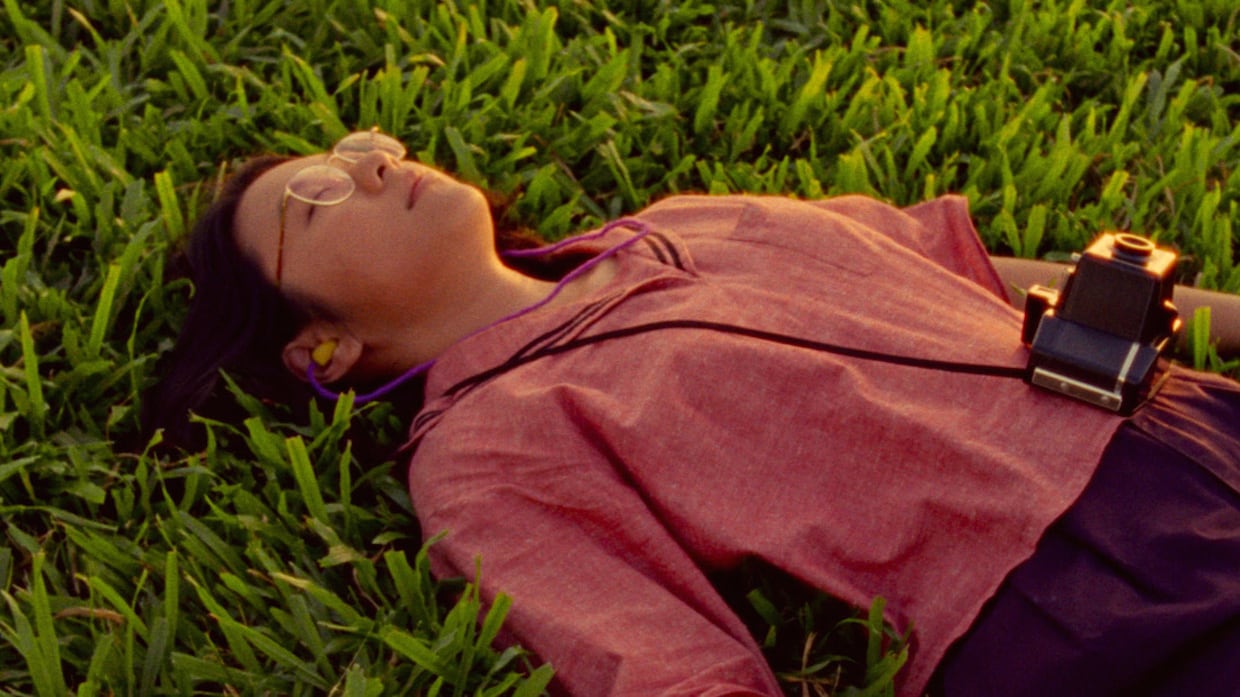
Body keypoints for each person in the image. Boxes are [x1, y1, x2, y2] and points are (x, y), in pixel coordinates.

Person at [146, 130, 1240, 696]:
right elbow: (647, 658)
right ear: (322, 349)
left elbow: (976, 272)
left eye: (357, 150)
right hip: (1069, 589)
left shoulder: (689, 222)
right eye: (318, 199)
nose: (375, 164)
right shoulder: (483, 448)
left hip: (1195, 423)